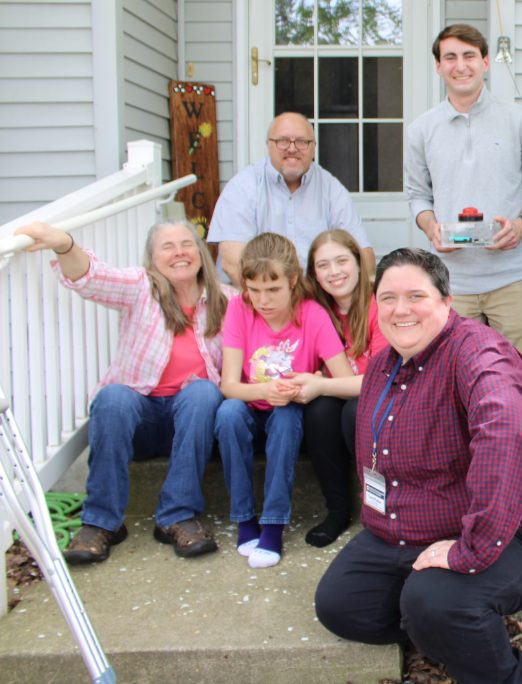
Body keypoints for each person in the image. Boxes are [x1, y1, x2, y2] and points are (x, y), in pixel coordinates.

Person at [314, 248, 522, 684]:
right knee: (341, 607)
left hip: (515, 529)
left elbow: (505, 433)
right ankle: (446, 630)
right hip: (412, 526)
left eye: (416, 296)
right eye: (388, 298)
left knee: (436, 602)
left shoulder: (479, 353)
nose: (401, 310)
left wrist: (469, 550)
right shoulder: (381, 365)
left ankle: (495, 667)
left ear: (446, 301)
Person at [14, 220, 229, 563]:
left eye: (186, 244)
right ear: (152, 258)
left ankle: (177, 516)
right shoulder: (141, 287)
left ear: (201, 252)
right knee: (113, 396)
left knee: (203, 392)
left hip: (193, 421)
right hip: (139, 421)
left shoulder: (226, 299)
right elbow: (90, 278)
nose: (179, 253)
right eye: (168, 246)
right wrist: (64, 244)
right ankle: (102, 523)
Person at [405, 24, 522, 369]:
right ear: (438, 66)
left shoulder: (520, 119)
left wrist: (521, 223)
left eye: (469, 56)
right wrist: (431, 229)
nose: (461, 66)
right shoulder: (421, 130)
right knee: (454, 382)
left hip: (511, 279)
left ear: (485, 62)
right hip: (451, 283)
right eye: (450, 57)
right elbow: (416, 195)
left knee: (519, 380)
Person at [214, 232, 352, 569]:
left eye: (273, 289)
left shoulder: (313, 315)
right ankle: (246, 520)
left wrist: (314, 383)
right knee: (228, 413)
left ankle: (274, 524)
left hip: (289, 416)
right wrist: (264, 391)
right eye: (255, 290)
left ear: (292, 281)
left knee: (288, 416)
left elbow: (345, 378)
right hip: (249, 407)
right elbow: (229, 385)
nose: (263, 300)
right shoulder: (238, 308)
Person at [208, 112, 372, 286]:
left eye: (302, 142)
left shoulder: (331, 189)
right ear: (268, 145)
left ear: (314, 147)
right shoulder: (242, 187)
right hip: (258, 299)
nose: (292, 148)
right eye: (282, 141)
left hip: (318, 300)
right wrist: (274, 304)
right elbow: (232, 263)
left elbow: (364, 257)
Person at [298, 229, 388, 547]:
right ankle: (337, 510)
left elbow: (379, 381)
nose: (334, 272)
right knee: (319, 412)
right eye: (323, 265)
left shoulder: (379, 303)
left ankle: (377, 506)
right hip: (338, 393)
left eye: (341, 261)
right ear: (314, 274)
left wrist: (322, 384)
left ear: (359, 263)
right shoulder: (315, 311)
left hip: (384, 398)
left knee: (354, 411)